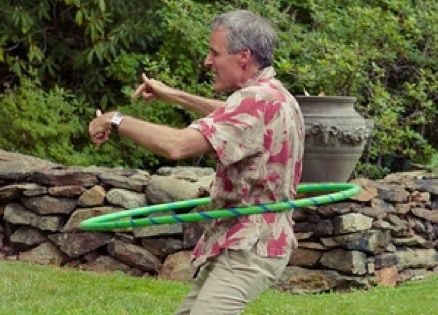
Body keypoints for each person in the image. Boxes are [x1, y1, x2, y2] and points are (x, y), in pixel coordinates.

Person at [89, 10, 304, 315]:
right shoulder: (274, 95)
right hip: (245, 239)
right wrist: (172, 95)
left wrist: (116, 119)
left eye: (214, 53)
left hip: (252, 245)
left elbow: (176, 146)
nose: (207, 60)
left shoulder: (255, 101)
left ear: (243, 56)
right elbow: (230, 112)